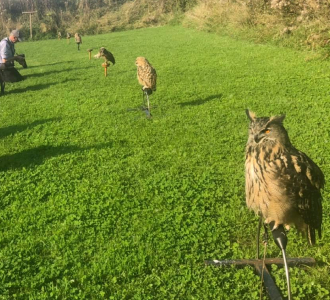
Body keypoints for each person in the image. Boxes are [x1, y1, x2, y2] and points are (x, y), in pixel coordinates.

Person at [0, 30, 26, 94]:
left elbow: (9, 56)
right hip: (2, 65)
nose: (18, 42)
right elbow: (4, 60)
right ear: (14, 37)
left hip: (7, 65)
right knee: (15, 80)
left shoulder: (10, 43)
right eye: (18, 40)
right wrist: (16, 58)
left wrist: (18, 57)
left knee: (20, 79)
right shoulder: (5, 44)